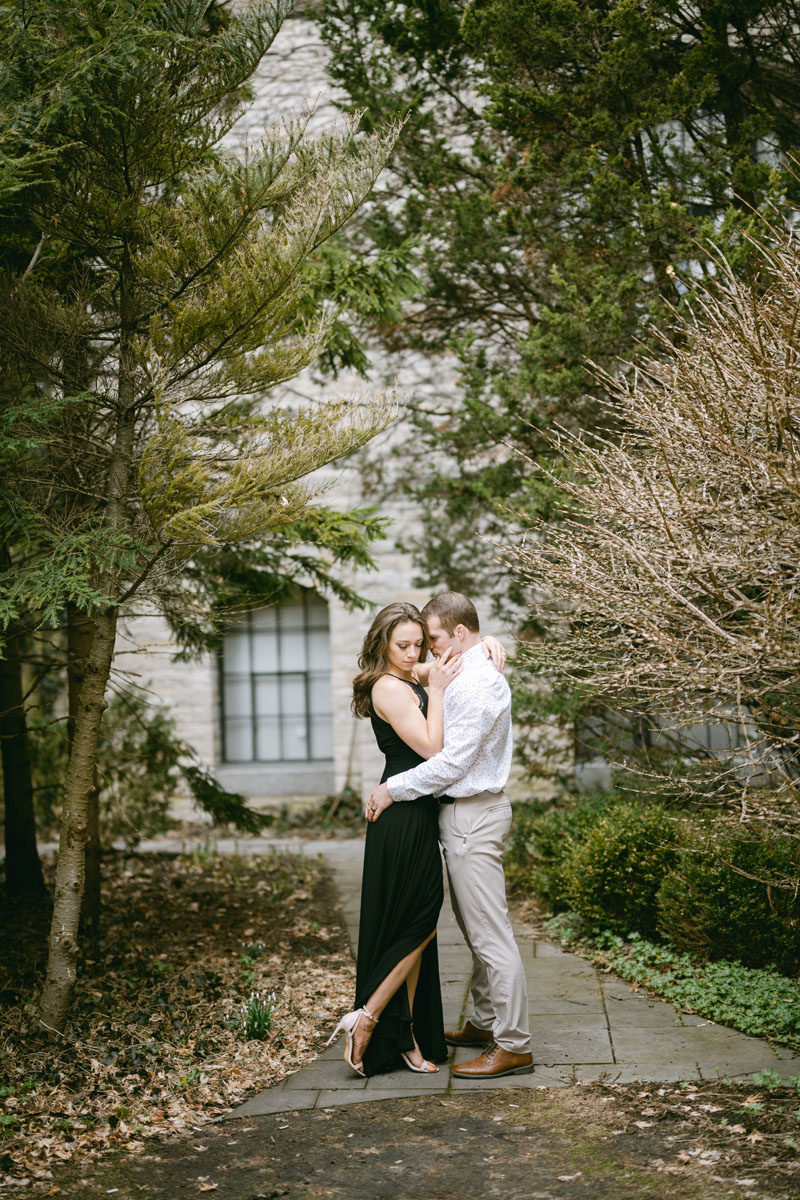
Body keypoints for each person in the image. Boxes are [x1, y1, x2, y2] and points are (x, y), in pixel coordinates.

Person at [366, 592, 533, 1079]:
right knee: (474, 926)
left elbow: (453, 760)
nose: (426, 652)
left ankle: (514, 1043)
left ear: (458, 634)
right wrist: (488, 644)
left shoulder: (478, 680)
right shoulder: (466, 662)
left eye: (433, 640)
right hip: (461, 815)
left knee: (490, 934)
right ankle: (484, 1022)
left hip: (472, 815)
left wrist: (393, 788)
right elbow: (414, 672)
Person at [326, 602, 461, 1077]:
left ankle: (404, 1038)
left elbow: (455, 659)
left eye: (418, 644)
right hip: (402, 815)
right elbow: (432, 749)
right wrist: (439, 692)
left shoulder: (406, 675)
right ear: (383, 642)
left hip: (413, 808)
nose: (412, 653)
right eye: (402, 645)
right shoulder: (389, 686)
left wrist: (488, 643)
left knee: (416, 925)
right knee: (421, 920)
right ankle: (367, 1017)